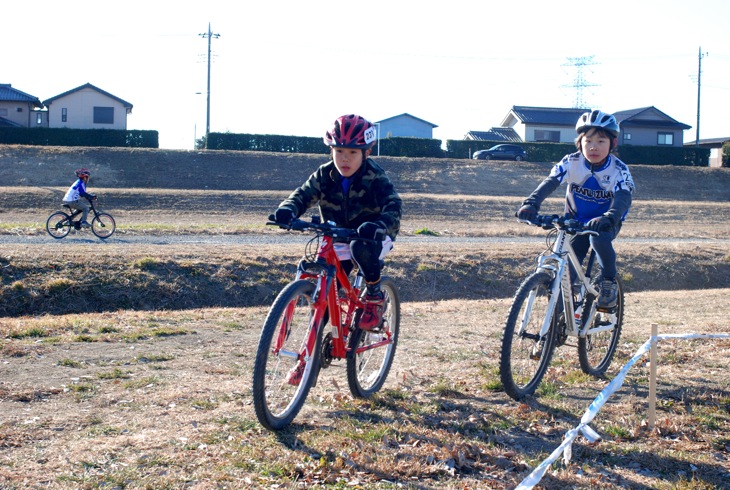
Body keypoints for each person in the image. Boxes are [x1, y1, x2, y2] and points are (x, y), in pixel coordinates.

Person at [273, 114, 402, 331]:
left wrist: (380, 225)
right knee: (326, 292)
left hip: (372, 236)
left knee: (360, 247)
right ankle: (309, 358)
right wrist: (287, 210)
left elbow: (393, 205)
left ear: (366, 153)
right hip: (338, 235)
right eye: (339, 151)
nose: (345, 158)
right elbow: (302, 195)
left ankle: (374, 295)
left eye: (353, 152)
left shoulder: (375, 176)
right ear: (331, 150)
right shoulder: (324, 174)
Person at [517, 109, 635, 310]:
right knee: (565, 274)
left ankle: (608, 282)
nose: (593, 147)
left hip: (605, 222)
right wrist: (531, 203)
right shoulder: (571, 162)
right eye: (588, 141)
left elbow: (624, 196)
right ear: (580, 142)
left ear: (612, 144)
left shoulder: (618, 169)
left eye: (601, 141)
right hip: (575, 222)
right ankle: (558, 321)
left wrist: (610, 216)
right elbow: (551, 181)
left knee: (598, 238)